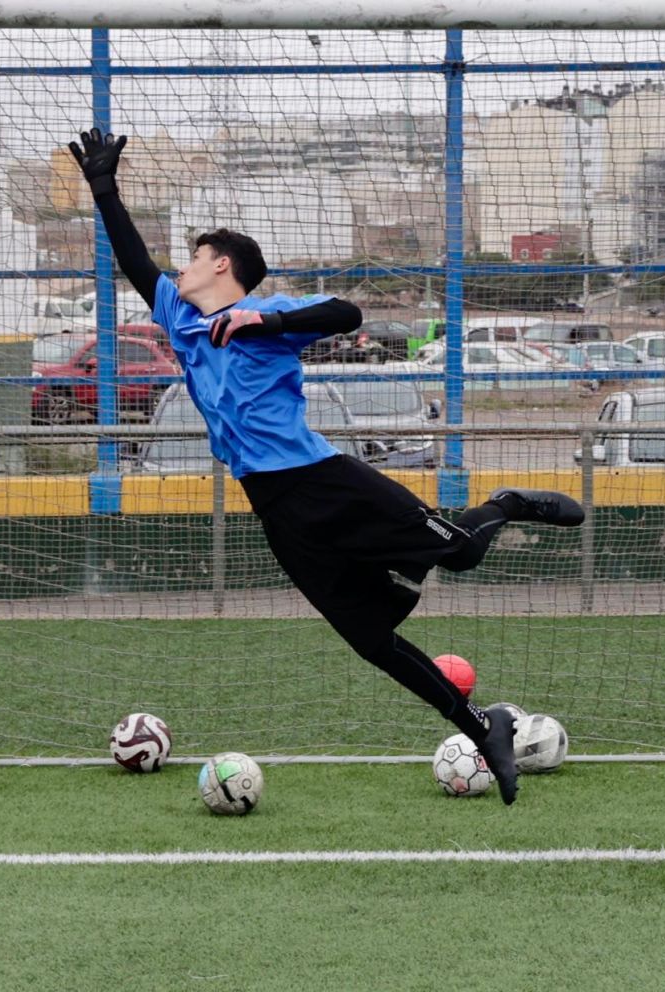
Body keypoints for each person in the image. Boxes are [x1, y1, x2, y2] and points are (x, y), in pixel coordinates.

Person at [67, 126, 582, 804]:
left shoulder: (269, 310)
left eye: (194, 258)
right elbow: (134, 262)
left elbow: (348, 311)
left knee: (460, 555)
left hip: (325, 480)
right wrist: (104, 188)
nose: (179, 269)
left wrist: (265, 326)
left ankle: (509, 505)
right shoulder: (180, 319)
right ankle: (478, 723)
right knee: (369, 639)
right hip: (274, 505)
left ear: (223, 265)